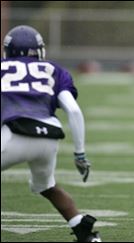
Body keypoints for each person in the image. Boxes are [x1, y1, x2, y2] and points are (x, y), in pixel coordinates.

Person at [1, 25, 101, 242]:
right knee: (47, 186)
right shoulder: (54, 70)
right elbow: (73, 110)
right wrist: (80, 154)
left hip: (13, 133)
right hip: (49, 137)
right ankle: (85, 233)